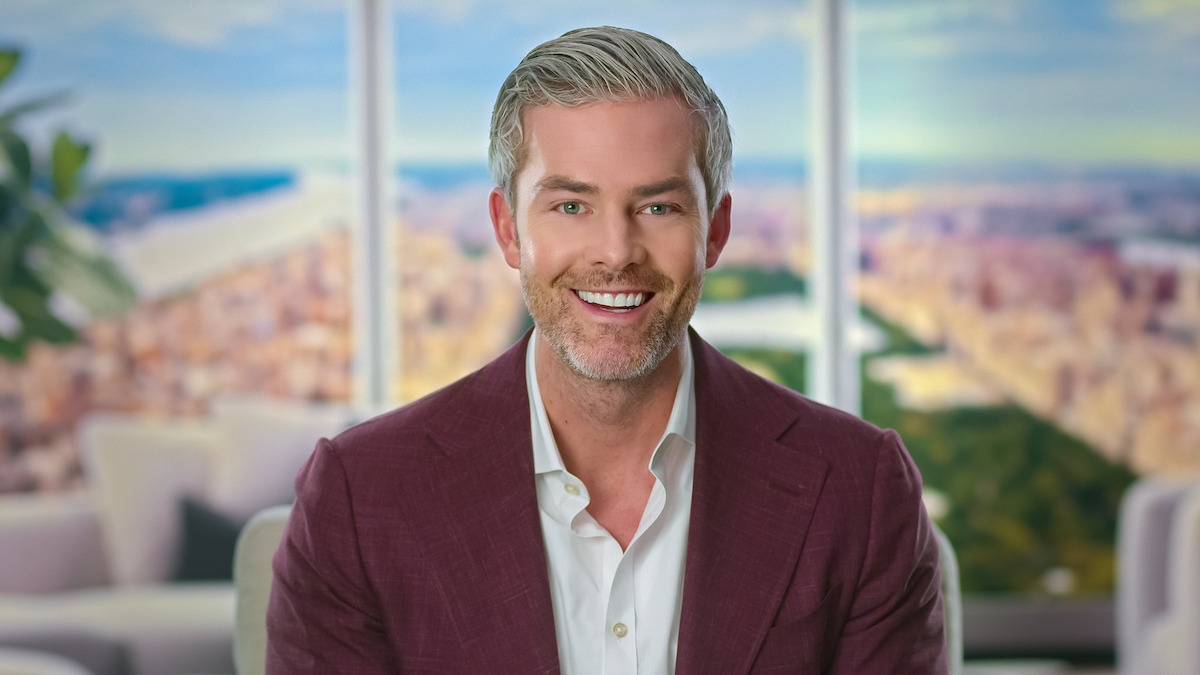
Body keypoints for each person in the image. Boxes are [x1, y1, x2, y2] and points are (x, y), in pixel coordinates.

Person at [267, 25, 947, 674]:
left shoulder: (859, 491)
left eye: (658, 207)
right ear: (508, 230)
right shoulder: (359, 501)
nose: (617, 252)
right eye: (571, 206)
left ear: (715, 231)